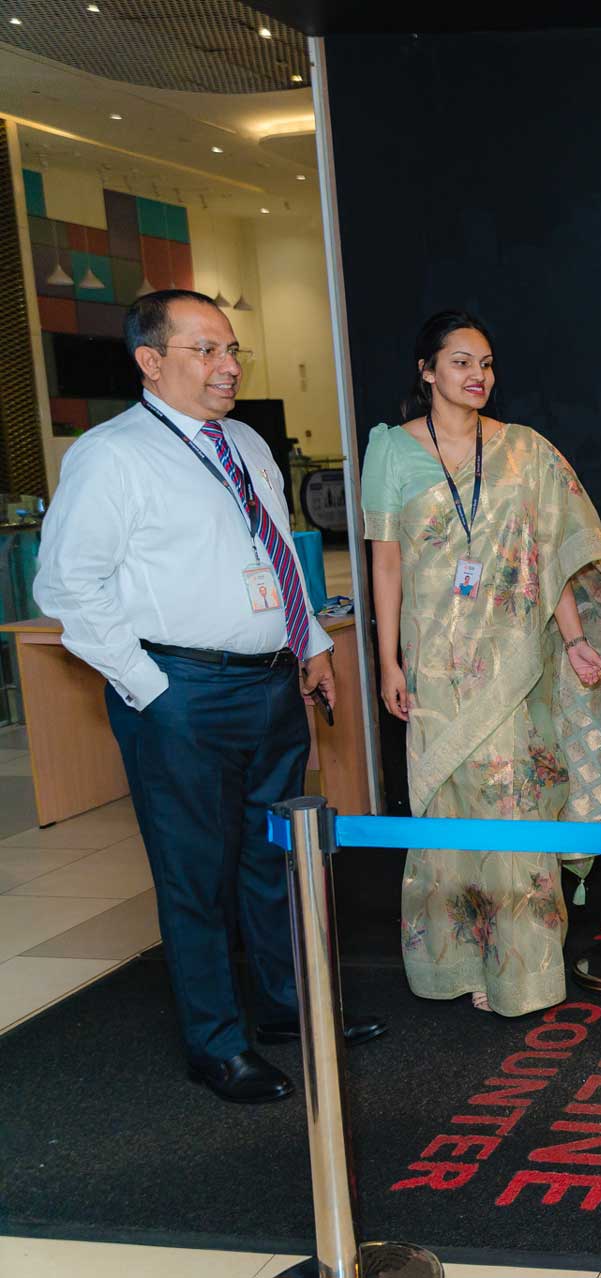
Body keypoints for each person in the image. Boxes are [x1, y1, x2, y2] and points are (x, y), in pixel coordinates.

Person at [34, 290, 385, 1104]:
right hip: (181, 691)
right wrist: (150, 687)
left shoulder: (247, 442)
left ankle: (288, 1007)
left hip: (272, 683)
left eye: (233, 350)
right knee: (194, 873)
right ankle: (216, 1043)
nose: (229, 366)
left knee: (275, 858)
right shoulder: (111, 455)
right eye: (207, 350)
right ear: (150, 361)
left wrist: (311, 643)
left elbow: (276, 554)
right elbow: (67, 585)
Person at [362, 311, 601, 1017]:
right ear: (427, 371)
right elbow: (385, 564)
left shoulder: (524, 450)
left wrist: (574, 639)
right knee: (446, 808)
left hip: (513, 662)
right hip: (433, 666)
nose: (477, 375)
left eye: (485, 363)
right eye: (461, 362)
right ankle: (456, 962)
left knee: (514, 807)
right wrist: (387, 662)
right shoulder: (390, 451)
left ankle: (521, 975)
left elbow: (551, 553)